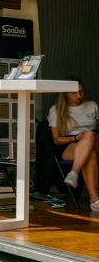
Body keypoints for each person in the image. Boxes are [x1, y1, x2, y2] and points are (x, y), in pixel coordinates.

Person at [48, 75, 99, 212]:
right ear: (65, 93)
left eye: (81, 92)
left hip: (93, 140)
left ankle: (73, 173)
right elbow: (56, 139)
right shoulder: (56, 110)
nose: (78, 95)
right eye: (74, 93)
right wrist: (76, 138)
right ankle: (94, 201)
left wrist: (89, 136)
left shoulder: (92, 106)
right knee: (90, 153)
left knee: (90, 137)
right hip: (69, 143)